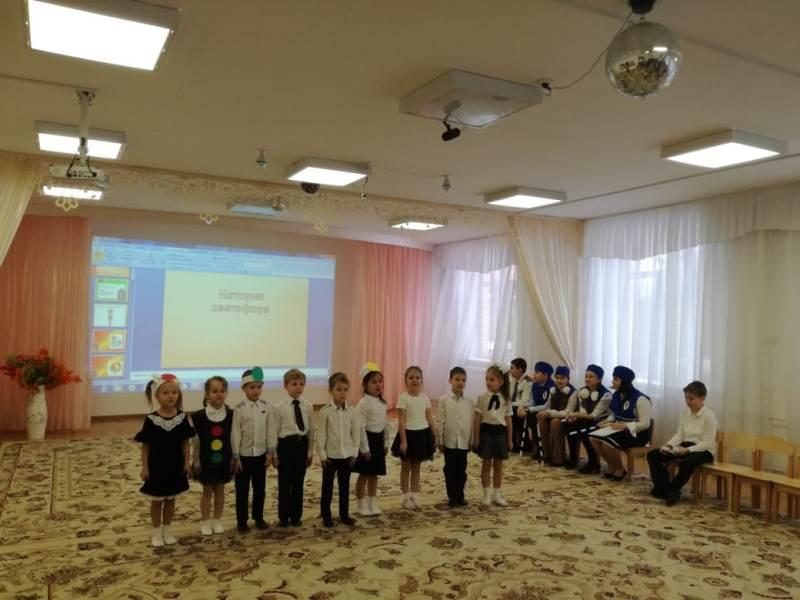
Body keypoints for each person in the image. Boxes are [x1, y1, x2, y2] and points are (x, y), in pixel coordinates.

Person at [134, 373, 195, 547]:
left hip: (175, 466)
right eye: (166, 393)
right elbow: (146, 446)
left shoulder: (182, 418)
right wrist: (145, 467)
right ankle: (156, 533)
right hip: (157, 467)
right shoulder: (151, 419)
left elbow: (185, 442)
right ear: (157, 396)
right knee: (157, 501)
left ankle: (167, 530)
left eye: (174, 392)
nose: (170, 396)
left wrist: (187, 462)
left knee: (170, 499)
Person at [647, 381, 717, 506]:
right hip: (686, 446)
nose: (688, 401)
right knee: (653, 455)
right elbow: (679, 434)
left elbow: (707, 443)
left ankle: (672, 489)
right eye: (686, 398)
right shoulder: (684, 413)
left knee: (687, 462)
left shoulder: (709, 416)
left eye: (691, 398)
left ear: (702, 398)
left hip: (704, 451)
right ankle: (664, 489)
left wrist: (688, 450)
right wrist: (669, 445)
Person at [317, 372, 367, 527]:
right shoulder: (325, 412)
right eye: (338, 389)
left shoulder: (353, 412)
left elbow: (356, 434)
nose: (342, 393)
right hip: (330, 457)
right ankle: (326, 516)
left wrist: (354, 453)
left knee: (344, 487)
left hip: (347, 456)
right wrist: (322, 455)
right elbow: (321, 436)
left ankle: (344, 515)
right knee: (327, 487)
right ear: (330, 390)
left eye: (345, 389)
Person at [267, 368, 315, 526]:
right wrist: (274, 455)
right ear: (285, 386)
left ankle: (296, 516)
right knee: (285, 483)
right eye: (294, 384)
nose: (298, 387)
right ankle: (283, 517)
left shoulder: (308, 406)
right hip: (285, 447)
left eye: (301, 384)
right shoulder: (278, 407)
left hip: (301, 446)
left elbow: (311, 431)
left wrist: (310, 452)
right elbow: (274, 432)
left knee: (298, 483)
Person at [589, 366, 652, 481]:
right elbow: (615, 414)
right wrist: (607, 421)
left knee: (607, 441)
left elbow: (645, 424)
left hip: (637, 434)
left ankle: (620, 469)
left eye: (616, 379)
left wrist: (624, 426)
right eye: (613, 379)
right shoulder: (617, 395)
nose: (613, 382)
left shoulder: (641, 399)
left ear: (625, 381)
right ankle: (612, 464)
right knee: (593, 438)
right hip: (619, 430)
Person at [192, 376, 233, 535]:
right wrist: (196, 461)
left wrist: (233, 458)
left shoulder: (231, 415)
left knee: (220, 490)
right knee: (207, 491)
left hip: (224, 460)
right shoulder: (199, 416)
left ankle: (217, 520)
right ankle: (205, 522)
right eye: (214, 391)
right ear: (207, 394)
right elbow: (196, 441)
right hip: (206, 460)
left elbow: (233, 438)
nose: (219, 394)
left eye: (222, 391)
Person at [391, 366, 435, 510]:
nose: (414, 380)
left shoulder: (425, 397)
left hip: (422, 435)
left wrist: (435, 435)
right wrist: (404, 441)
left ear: (422, 380)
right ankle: (405, 497)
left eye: (417, 377)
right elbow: (401, 421)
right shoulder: (403, 398)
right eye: (411, 378)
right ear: (406, 381)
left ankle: (414, 495)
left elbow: (429, 418)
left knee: (417, 467)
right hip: (408, 435)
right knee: (406, 467)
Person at [231, 367, 270, 532]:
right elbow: (235, 433)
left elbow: (270, 431)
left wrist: (270, 453)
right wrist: (236, 457)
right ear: (244, 388)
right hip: (244, 457)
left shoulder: (266, 407)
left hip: (260, 455)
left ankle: (258, 517)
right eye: (252, 387)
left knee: (260, 489)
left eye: (259, 387)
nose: (256, 390)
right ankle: (242, 521)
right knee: (242, 490)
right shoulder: (238, 409)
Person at [473, 363, 513, 507]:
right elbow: (477, 419)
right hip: (486, 433)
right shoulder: (482, 398)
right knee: (486, 465)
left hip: (500, 434)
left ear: (501, 382)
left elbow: (508, 420)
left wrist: (510, 439)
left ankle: (497, 494)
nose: (488, 382)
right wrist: (476, 437)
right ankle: (486, 495)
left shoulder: (506, 399)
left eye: (492, 380)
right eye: (487, 379)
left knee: (498, 466)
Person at [353, 362, 389, 516]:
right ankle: (361, 504)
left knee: (374, 474)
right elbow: (360, 428)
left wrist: (386, 442)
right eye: (374, 382)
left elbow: (385, 424)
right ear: (365, 385)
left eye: (380, 381)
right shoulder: (362, 404)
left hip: (378, 441)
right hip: (367, 441)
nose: (378, 385)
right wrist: (364, 448)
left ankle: (372, 503)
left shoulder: (382, 403)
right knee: (364, 474)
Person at [563, 365, 611, 472]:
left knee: (583, 428)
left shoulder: (606, 395)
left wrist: (576, 415)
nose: (587, 379)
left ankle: (593, 462)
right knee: (569, 424)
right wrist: (575, 417)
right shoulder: (582, 392)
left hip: (601, 422)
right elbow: (583, 412)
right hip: (586, 420)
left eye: (591, 377)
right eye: (586, 376)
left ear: (599, 379)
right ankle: (573, 458)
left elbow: (595, 415)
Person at [437, 366, 474, 507]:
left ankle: (460, 495)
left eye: (463, 380)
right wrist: (440, 440)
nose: (460, 382)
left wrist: (471, 440)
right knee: (450, 469)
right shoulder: (444, 400)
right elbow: (440, 421)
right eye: (457, 379)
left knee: (461, 470)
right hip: (450, 441)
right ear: (450, 381)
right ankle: (452, 496)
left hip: (463, 441)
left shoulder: (469, 402)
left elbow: (470, 422)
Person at [536, 366, 577, 466]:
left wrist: (550, 413)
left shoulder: (573, 392)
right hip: (554, 416)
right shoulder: (553, 390)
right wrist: (544, 412)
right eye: (557, 378)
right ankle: (547, 453)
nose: (559, 380)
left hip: (568, 419)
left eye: (562, 378)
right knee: (541, 420)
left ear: (568, 379)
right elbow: (548, 406)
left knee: (555, 422)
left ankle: (561, 457)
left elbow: (568, 412)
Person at [518, 361, 554, 461]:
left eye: (537, 372)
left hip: (548, 412)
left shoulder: (551, 387)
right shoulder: (535, 385)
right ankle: (536, 447)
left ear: (545, 375)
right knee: (527, 416)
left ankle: (543, 450)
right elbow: (532, 401)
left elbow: (546, 406)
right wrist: (523, 406)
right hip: (536, 410)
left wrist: (528, 409)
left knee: (532, 416)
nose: (534, 374)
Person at [509, 358, 531, 453]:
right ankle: (510, 442)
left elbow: (525, 401)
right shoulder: (514, 380)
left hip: (525, 407)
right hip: (515, 406)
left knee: (510, 412)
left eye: (512, 368)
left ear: (520, 369)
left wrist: (509, 404)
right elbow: (510, 396)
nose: (510, 370)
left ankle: (516, 444)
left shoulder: (528, 382)